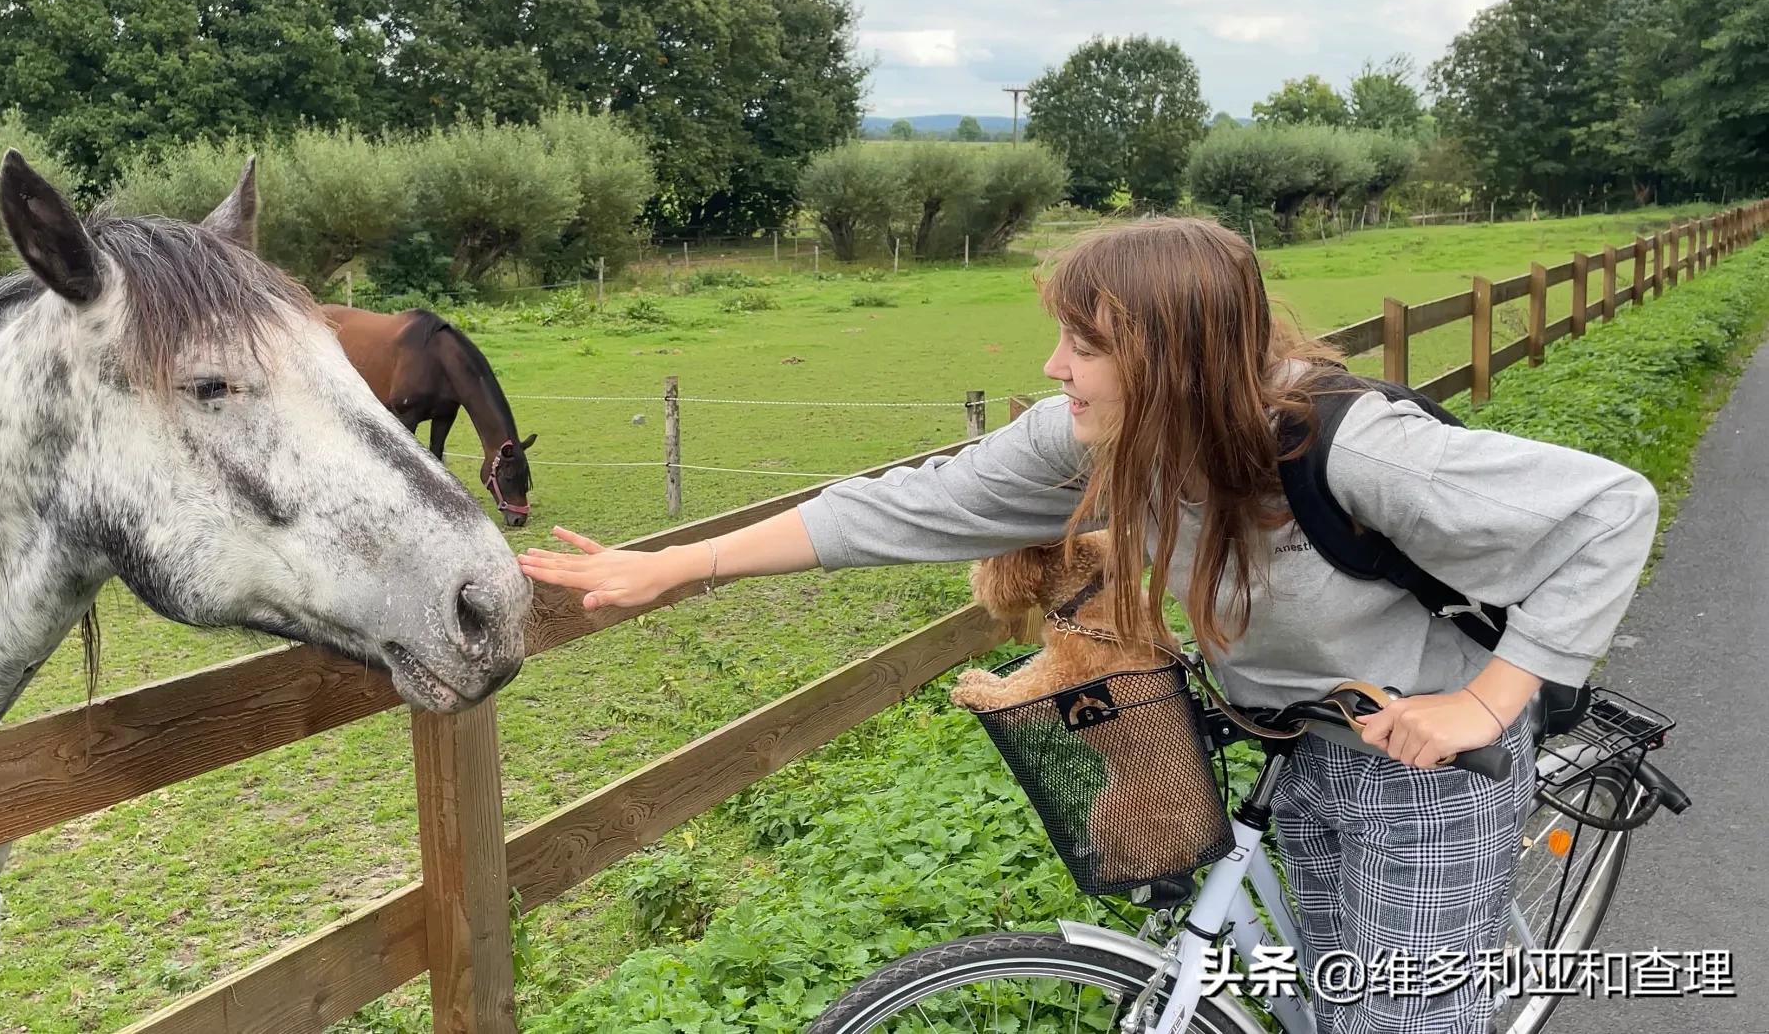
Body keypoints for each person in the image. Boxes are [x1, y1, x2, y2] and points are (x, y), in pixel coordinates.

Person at [518, 216, 1658, 1033]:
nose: (1053, 366)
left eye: (1087, 344)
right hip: (1290, 740)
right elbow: (915, 503)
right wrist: (680, 565)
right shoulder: (1099, 434)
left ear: (1175, 357)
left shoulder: (1355, 448)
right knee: (1329, 1000)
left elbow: (1609, 509)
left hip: (1426, 761)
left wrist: (1485, 702)